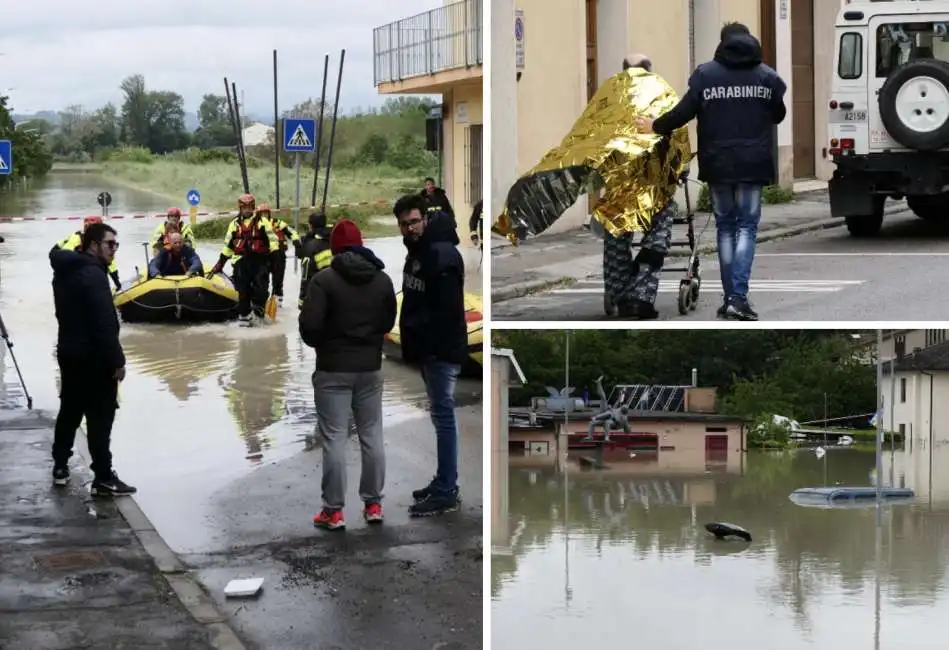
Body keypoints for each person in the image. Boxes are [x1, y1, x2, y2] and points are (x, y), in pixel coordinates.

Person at [635, 22, 787, 321]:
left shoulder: (706, 75)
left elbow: (682, 113)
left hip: (717, 164)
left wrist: (654, 125)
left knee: (726, 228)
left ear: (723, 43)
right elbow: (779, 114)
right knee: (746, 228)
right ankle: (737, 298)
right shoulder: (767, 77)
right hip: (752, 164)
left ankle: (731, 297)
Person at [299, 219, 397, 530]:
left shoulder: (324, 281)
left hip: (332, 371)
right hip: (370, 369)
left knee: (334, 439)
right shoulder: (381, 280)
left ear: (334, 248)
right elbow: (387, 322)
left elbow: (310, 329)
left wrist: (328, 342)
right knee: (372, 435)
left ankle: (334, 511)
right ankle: (373, 504)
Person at [393, 194, 467, 516]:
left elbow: (446, 311)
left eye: (414, 221)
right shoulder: (420, 251)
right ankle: (443, 482)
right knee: (440, 417)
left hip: (440, 350)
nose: (409, 228)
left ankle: (447, 490)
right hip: (429, 350)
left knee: (444, 417)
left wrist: (426, 344)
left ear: (425, 218)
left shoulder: (441, 255)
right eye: (404, 224)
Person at [49, 221, 135, 496]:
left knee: (70, 411)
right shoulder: (94, 274)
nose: (114, 250)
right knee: (100, 418)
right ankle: (103, 477)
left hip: (69, 352)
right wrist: (118, 361)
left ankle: (60, 466)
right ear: (94, 245)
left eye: (116, 244)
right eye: (110, 244)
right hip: (95, 358)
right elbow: (105, 322)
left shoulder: (64, 270)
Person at [602, 53, 676, 320]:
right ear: (649, 71)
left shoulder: (608, 101)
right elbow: (677, 140)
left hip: (619, 191)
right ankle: (641, 297)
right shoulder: (664, 99)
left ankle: (620, 293)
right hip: (655, 191)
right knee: (657, 233)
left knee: (615, 239)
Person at [209, 193, 280, 325]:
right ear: (240, 208)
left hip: (260, 261)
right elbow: (228, 246)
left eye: (250, 207)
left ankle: (259, 313)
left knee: (261, 289)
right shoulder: (234, 224)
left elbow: (273, 241)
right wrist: (220, 263)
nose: (247, 210)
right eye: (244, 207)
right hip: (241, 261)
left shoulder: (262, 222)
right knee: (243, 290)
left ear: (253, 207)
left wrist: (275, 259)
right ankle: (244, 315)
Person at [53, 216, 121, 290]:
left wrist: (117, 283)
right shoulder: (76, 237)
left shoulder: (104, 243)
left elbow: (111, 265)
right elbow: (64, 256)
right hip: (62, 257)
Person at [256, 203, 302, 306]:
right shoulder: (256, 225)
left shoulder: (277, 223)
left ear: (269, 214)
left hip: (278, 255)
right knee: (262, 280)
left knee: (278, 279)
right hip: (263, 256)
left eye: (266, 213)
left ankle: (277, 300)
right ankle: (262, 300)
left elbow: (291, 231)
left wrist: (295, 240)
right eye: (261, 214)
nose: (264, 216)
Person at [296, 210, 334, 308]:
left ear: (311, 226)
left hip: (318, 292)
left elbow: (306, 276)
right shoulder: (336, 239)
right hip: (337, 292)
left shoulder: (311, 246)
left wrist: (302, 300)